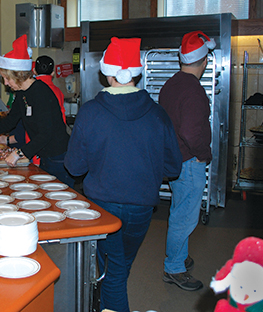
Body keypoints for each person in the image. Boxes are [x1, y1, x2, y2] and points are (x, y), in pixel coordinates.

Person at [64, 37, 182, 312]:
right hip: (141, 208)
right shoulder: (157, 114)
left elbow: (75, 166)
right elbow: (173, 167)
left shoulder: (91, 112)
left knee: (114, 271)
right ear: (137, 72)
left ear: (106, 73)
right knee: (119, 266)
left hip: (103, 206)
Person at [0, 35, 74, 187]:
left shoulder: (41, 93)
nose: (5, 83)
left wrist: (18, 153)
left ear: (18, 75)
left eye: (7, 78)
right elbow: (10, 121)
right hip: (44, 153)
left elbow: (46, 133)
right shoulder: (22, 92)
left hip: (58, 156)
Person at [159, 30, 214, 291]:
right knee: (185, 216)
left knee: (180, 210)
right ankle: (174, 268)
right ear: (203, 62)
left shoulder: (171, 84)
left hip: (174, 159)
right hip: (190, 161)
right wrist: (204, 154)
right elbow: (192, 132)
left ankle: (180, 255)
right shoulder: (193, 90)